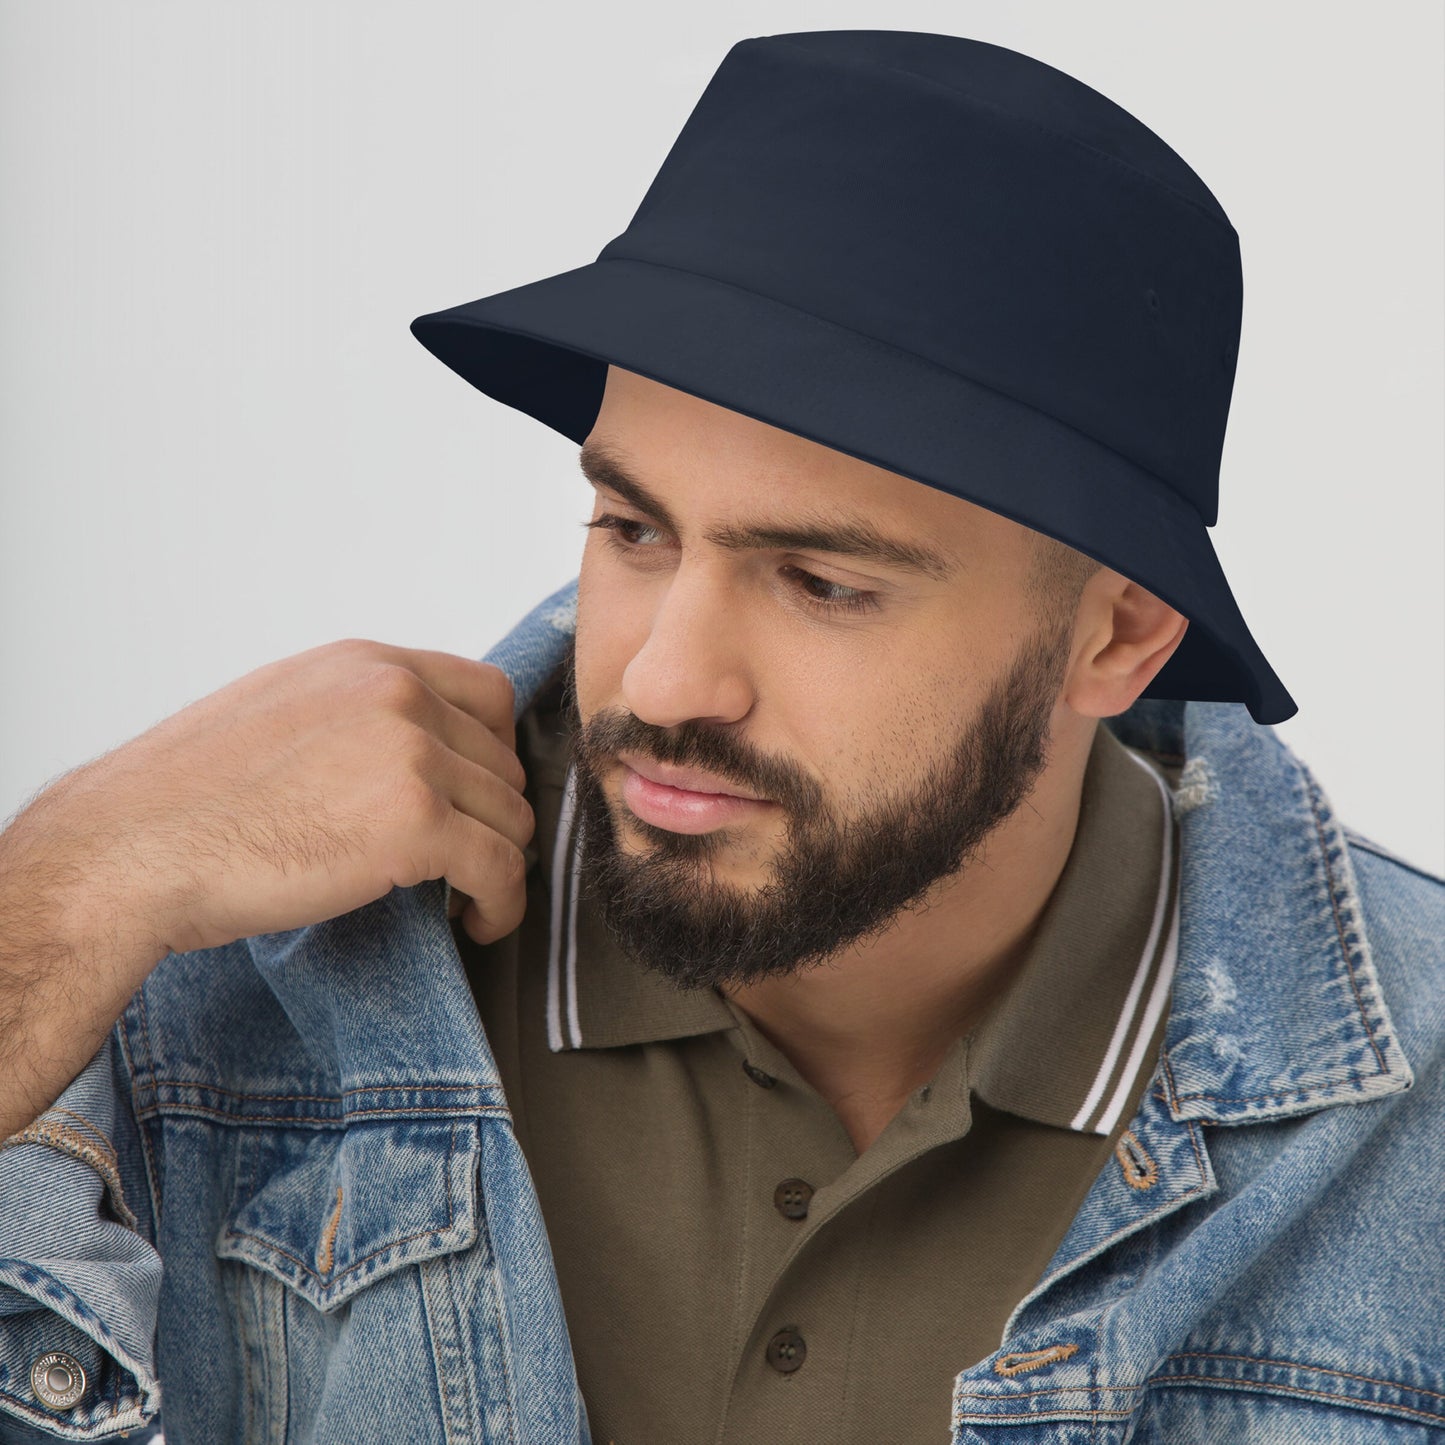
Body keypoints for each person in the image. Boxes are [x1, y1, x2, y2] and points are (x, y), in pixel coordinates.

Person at [1, 28, 1441, 1445]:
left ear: (1116, 637)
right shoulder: (217, 961)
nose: (668, 677)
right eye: (631, 526)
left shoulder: (1407, 1118)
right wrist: (68, 880)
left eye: (821, 581)